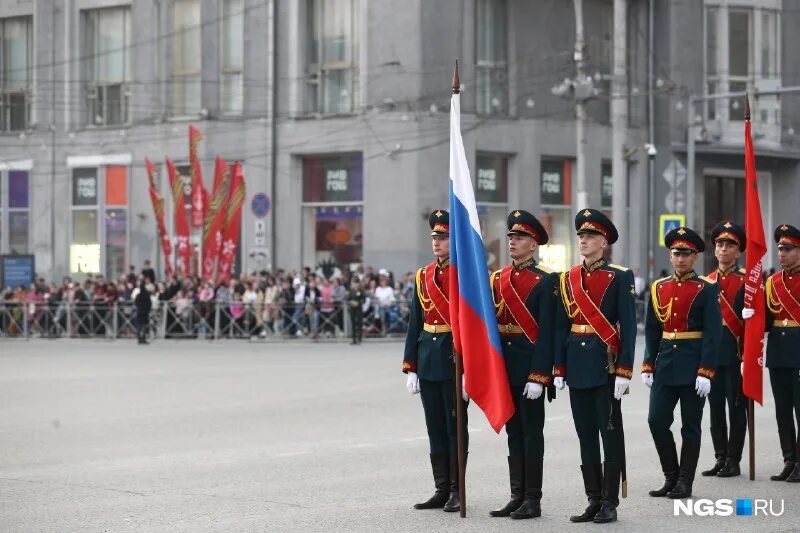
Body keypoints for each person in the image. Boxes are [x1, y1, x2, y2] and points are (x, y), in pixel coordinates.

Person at [554, 208, 636, 524]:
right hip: (577, 364)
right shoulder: (568, 278)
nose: (584, 240)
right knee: (585, 434)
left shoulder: (619, 275)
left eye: (590, 236)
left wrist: (624, 370)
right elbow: (562, 327)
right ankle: (593, 498)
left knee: (609, 434)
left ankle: (610, 501)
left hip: (605, 365)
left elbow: (627, 325)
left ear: (604, 241)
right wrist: (559, 368)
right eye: (581, 236)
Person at [641, 226, 721, 499]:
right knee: (656, 421)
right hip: (665, 363)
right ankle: (671, 476)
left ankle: (685, 481)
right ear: (670, 255)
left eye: (686, 254)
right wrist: (648, 363)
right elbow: (652, 329)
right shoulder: (658, 287)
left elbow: (713, 332)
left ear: (695, 257)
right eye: (676, 253)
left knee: (690, 426)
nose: (680, 258)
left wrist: (706, 371)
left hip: (693, 365)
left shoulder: (707, 288)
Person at [488, 210, 557, 520]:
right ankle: (516, 495)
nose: (512, 242)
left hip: (529, 368)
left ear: (534, 244)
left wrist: (539, 374)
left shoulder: (546, 281)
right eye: (511, 237)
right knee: (513, 433)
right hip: (504, 368)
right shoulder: (497, 278)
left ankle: (533, 498)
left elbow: (548, 332)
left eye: (520, 238)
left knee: (531, 434)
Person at [402, 209, 468, 513]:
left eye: (443, 237)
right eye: (435, 237)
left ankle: (457, 488)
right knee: (435, 427)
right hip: (429, 357)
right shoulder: (423, 275)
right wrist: (410, 365)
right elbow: (416, 322)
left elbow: (472, 325)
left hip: (454, 360)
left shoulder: (466, 274)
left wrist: (469, 371)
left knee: (455, 427)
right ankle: (441, 487)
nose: (437, 243)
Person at [751, 224, 800, 482]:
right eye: (780, 248)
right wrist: (751, 315)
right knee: (782, 409)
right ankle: (789, 459)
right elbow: (768, 320)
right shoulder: (772, 282)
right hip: (779, 353)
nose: (782, 253)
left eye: (788, 248)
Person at [701, 221, 747, 478]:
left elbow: (753, 324)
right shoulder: (706, 282)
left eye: (730, 245)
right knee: (715, 407)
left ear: (738, 251)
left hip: (737, 354)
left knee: (737, 407)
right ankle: (720, 457)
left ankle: (734, 459)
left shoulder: (746, 282)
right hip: (712, 354)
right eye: (720, 244)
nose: (724, 249)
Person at [347, 279, 365, 344]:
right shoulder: (351, 291)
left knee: (359, 323)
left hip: (359, 309)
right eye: (355, 284)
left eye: (357, 283)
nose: (356, 285)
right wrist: (351, 302)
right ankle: (354, 339)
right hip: (352, 309)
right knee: (353, 323)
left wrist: (358, 303)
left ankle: (359, 338)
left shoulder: (361, 291)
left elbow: (363, 299)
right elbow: (348, 299)